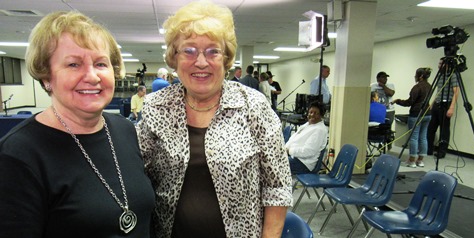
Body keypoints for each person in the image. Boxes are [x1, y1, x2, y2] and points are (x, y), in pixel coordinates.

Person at [137, 1, 292, 238]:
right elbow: (135, 177)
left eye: (212, 51)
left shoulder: (254, 107)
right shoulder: (156, 107)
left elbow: (277, 188)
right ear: (174, 58)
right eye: (189, 50)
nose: (201, 61)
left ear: (226, 58)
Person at [0, 11, 155, 237]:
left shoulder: (124, 130)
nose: (92, 76)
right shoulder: (18, 155)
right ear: (46, 77)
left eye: (101, 64)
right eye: (74, 64)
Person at [392, 67, 432, 168]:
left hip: (416, 114)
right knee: (423, 137)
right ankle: (420, 161)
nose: (415, 76)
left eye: (416, 75)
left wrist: (397, 101)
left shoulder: (417, 87)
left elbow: (410, 102)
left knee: (413, 137)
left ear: (421, 76)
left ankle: (412, 161)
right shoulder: (430, 86)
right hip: (427, 114)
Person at [427, 57, 459, 159]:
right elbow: (438, 91)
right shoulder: (440, 75)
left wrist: (452, 107)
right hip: (437, 103)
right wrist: (432, 103)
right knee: (431, 128)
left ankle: (442, 151)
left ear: (447, 65)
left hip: (446, 104)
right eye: (439, 63)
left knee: (444, 130)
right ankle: (429, 149)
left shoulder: (453, 75)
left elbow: (456, 92)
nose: (439, 65)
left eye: (441, 64)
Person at [285, 102, 328, 174]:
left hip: (303, 164)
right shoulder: (308, 124)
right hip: (295, 157)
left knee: (273, 163)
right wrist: (284, 150)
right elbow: (293, 140)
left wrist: (289, 151)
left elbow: (308, 151)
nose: (312, 115)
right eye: (310, 112)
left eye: (316, 113)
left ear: (321, 115)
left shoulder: (319, 130)